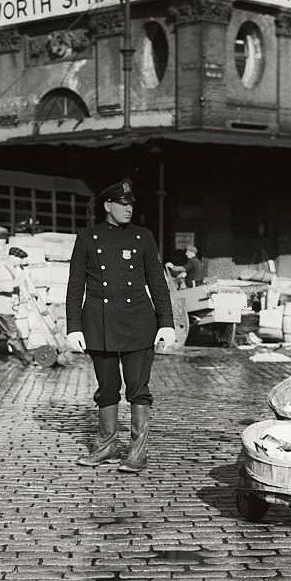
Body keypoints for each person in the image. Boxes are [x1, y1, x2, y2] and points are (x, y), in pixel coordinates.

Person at [66, 178, 175, 473]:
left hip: (139, 323)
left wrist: (166, 323)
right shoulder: (88, 237)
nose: (129, 209)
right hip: (99, 324)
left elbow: (158, 283)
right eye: (123, 204)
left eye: (131, 205)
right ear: (108, 206)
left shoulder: (143, 237)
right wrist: (73, 326)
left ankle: (137, 452)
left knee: (138, 389)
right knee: (107, 388)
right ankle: (105, 446)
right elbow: (75, 285)